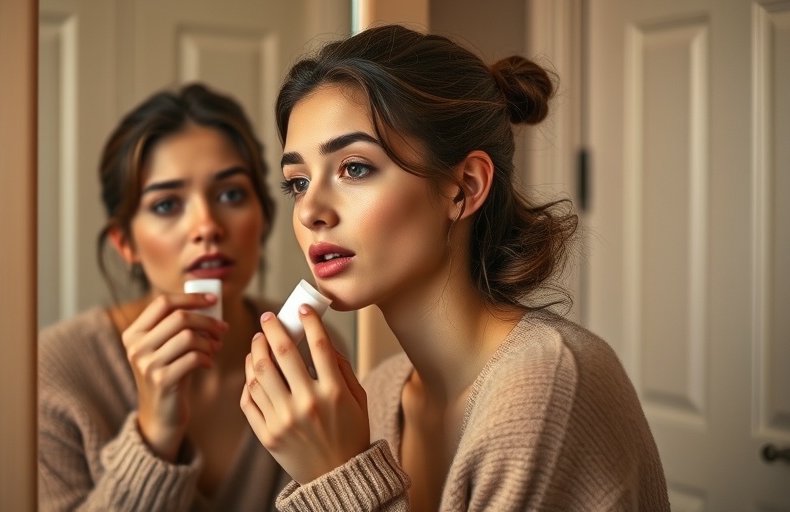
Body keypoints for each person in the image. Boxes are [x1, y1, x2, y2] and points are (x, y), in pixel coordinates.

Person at [239, 24, 670, 511]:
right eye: (296, 182)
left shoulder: (546, 388)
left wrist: (338, 478)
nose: (309, 210)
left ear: (463, 188)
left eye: (354, 167)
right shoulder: (377, 395)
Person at [38, 83, 309, 511]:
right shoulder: (55, 371)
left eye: (231, 194)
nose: (206, 226)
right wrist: (154, 437)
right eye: (166, 205)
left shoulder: (307, 346)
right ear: (124, 242)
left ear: (265, 214)